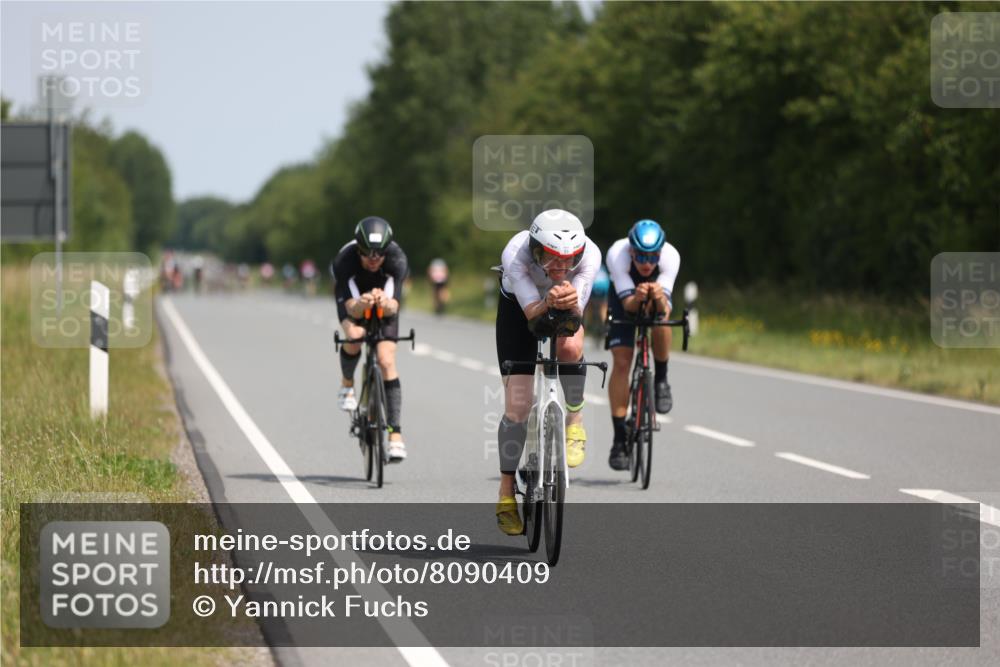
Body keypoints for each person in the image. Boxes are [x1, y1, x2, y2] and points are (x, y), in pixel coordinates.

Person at [494, 209, 602, 535]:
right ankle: (506, 491)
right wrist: (548, 302)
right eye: (551, 258)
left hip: (564, 303)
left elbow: (575, 316)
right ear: (535, 249)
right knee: (518, 407)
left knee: (570, 348)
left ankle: (575, 422)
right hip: (519, 309)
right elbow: (532, 314)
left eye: (569, 260)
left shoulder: (591, 254)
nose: (560, 267)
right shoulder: (516, 253)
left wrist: (568, 301)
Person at [331, 216, 410, 462]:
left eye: (379, 254)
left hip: (384, 302)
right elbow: (352, 308)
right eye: (367, 254)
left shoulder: (397, 259)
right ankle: (347, 385)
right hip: (354, 300)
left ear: (387, 250)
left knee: (386, 360)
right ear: (358, 249)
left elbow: (394, 306)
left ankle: (395, 435)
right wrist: (363, 304)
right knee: (355, 336)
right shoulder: (344, 261)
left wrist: (384, 303)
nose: (374, 259)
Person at [605, 219, 681, 471]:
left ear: (660, 253)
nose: (647, 263)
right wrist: (637, 298)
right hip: (623, 298)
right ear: (631, 251)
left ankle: (661, 380)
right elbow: (628, 307)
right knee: (622, 361)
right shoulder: (617, 255)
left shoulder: (671, 256)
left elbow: (664, 310)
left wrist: (657, 299)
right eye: (640, 256)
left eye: (652, 257)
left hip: (657, 299)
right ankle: (619, 439)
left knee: (661, 320)